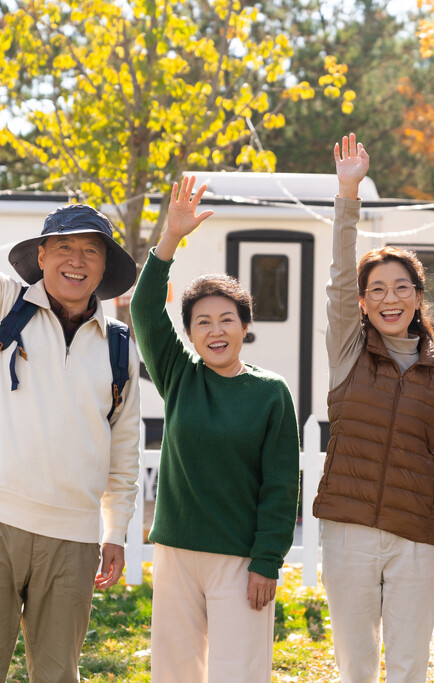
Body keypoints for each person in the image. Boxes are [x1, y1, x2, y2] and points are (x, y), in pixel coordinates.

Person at [0, 88, 141, 683]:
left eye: (89, 252)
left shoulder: (119, 344)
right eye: (63, 248)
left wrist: (115, 530)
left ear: (103, 268)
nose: (76, 261)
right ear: (41, 257)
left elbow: (125, 451)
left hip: (72, 539)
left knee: (59, 676)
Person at [130, 175, 301, 682]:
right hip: (177, 552)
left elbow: (280, 485)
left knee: (238, 672)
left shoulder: (270, 393)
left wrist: (267, 560)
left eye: (226, 319)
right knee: (175, 672)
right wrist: (170, 239)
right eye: (202, 322)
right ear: (189, 333)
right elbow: (143, 310)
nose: (215, 331)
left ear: (245, 326)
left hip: (240, 558)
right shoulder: (181, 375)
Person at [311, 134, 434, 683]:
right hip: (349, 531)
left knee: (408, 666)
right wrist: (347, 193)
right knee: (355, 665)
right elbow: (336, 278)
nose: (389, 298)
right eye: (376, 289)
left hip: (414, 538)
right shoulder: (348, 352)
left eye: (402, 288)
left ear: (419, 298)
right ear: (362, 303)